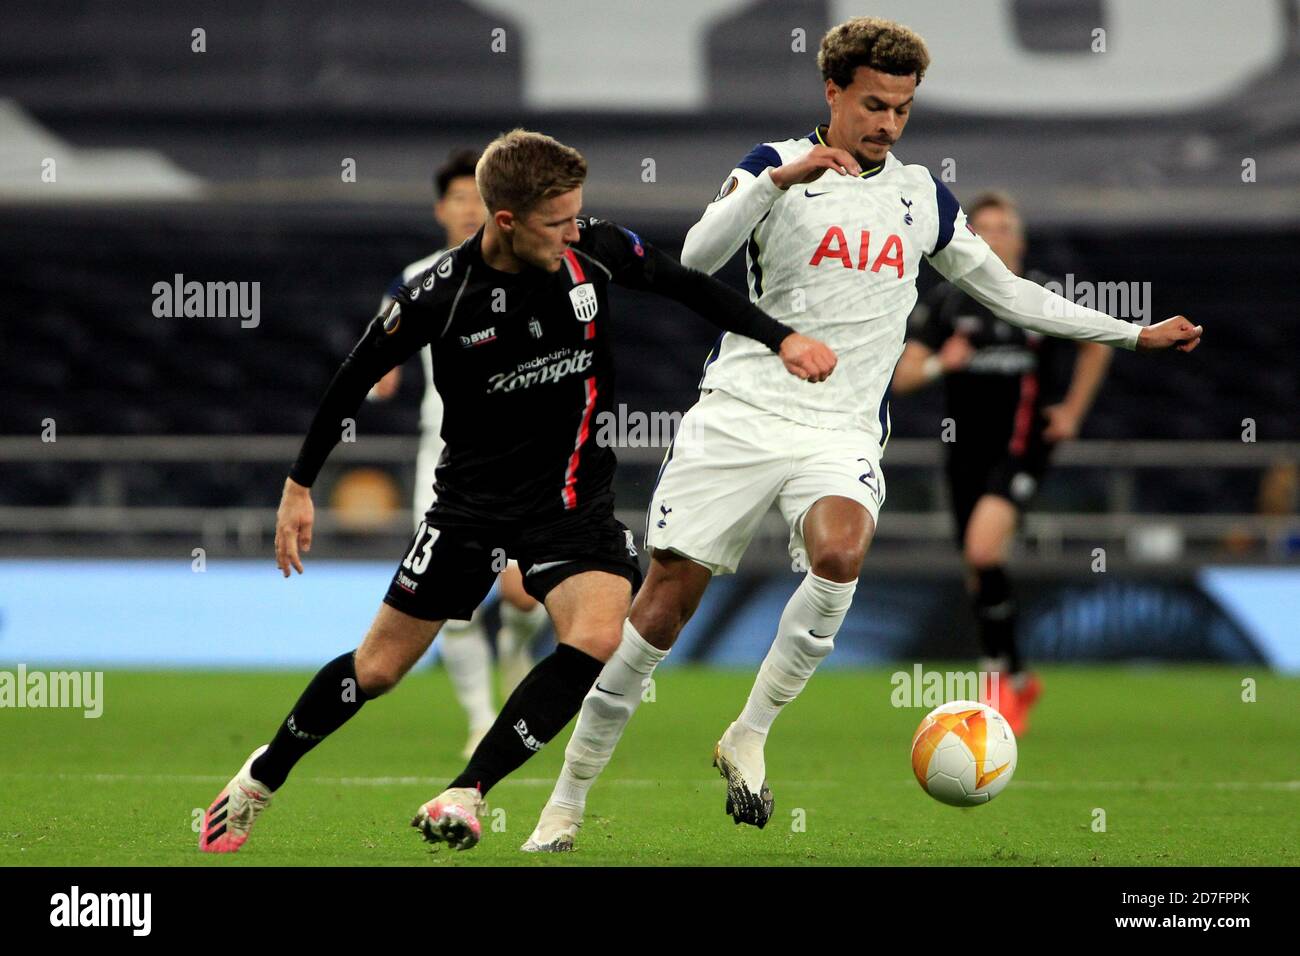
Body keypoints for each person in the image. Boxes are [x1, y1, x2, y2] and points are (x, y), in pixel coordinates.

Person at [523, 16, 1202, 851]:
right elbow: (693, 262)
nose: (887, 124)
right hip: (738, 416)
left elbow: (1010, 292)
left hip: (839, 429)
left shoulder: (922, 196)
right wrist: (777, 181)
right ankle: (567, 801)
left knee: (841, 555)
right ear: (833, 92)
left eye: (903, 110)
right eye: (874, 104)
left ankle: (750, 732)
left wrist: (1130, 334)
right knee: (661, 611)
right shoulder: (771, 164)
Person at [198, 128, 836, 854]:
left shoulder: (592, 248)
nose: (574, 232)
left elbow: (683, 283)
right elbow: (351, 377)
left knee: (596, 635)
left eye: (577, 215)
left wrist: (780, 337)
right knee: (375, 671)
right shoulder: (442, 293)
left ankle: (468, 790)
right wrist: (299, 487)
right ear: (505, 221)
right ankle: (261, 776)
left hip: (572, 504)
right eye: (556, 221)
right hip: (470, 508)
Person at [892, 191, 1113, 734]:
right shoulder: (948, 300)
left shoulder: (1039, 296)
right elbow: (904, 377)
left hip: (1021, 448)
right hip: (964, 450)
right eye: (982, 227)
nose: (994, 237)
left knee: (982, 549)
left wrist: (1072, 412)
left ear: (1020, 238)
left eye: (1004, 227)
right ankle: (1016, 676)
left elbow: (1100, 343)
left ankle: (998, 687)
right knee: (979, 567)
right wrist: (944, 365)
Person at [370, 148, 548, 758]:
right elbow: (383, 341)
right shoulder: (418, 277)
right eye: (458, 199)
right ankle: (480, 719)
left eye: (478, 198)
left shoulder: (529, 270)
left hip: (522, 456)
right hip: (446, 463)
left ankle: (519, 646)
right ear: (441, 208)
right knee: (452, 604)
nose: (468, 208)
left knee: (525, 594)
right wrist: (381, 373)